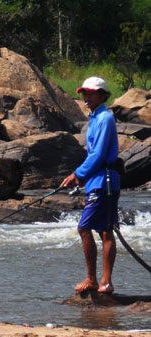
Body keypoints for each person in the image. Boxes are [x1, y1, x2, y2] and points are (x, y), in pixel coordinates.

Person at [60, 76, 120, 294]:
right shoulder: (95, 119)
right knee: (105, 230)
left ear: (103, 96)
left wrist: (77, 174)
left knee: (85, 228)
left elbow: (99, 155)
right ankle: (104, 282)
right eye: (84, 93)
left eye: (91, 93)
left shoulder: (105, 118)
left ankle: (96, 281)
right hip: (98, 182)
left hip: (105, 182)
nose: (87, 97)